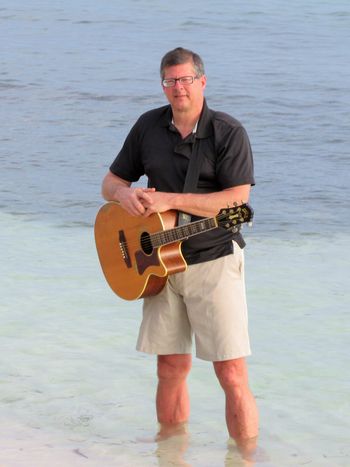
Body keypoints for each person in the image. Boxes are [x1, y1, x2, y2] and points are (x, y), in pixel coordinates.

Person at [101, 47, 259, 448]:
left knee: (231, 373)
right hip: (160, 264)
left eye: (186, 79)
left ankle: (245, 458)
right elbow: (110, 183)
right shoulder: (147, 126)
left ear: (202, 82)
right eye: (170, 81)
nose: (178, 88)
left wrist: (169, 200)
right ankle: (169, 456)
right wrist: (125, 197)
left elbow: (236, 202)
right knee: (170, 368)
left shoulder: (228, 132)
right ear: (163, 85)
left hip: (214, 260)